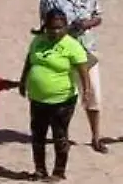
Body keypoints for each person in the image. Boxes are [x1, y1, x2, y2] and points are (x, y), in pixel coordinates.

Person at [39, 0, 107, 153]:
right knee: (64, 98)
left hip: (87, 51)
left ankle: (96, 137)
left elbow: (98, 17)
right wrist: (66, 29)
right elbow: (45, 26)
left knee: (93, 94)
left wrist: (87, 23)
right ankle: (62, 136)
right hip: (63, 52)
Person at [22, 9, 92, 180]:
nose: (56, 31)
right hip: (37, 99)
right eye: (52, 28)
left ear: (65, 27)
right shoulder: (38, 40)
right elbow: (29, 61)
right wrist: (23, 81)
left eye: (60, 28)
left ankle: (59, 172)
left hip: (62, 101)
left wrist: (87, 91)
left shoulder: (72, 45)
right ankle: (40, 170)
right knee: (37, 136)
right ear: (45, 26)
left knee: (59, 136)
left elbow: (83, 71)